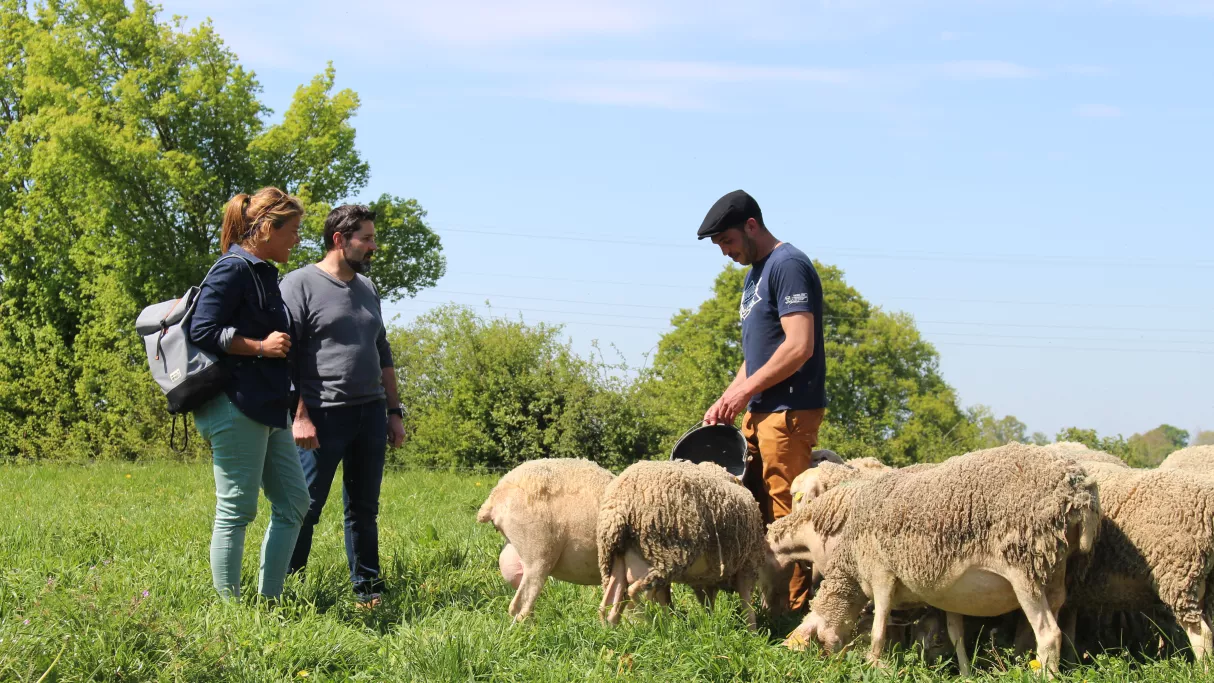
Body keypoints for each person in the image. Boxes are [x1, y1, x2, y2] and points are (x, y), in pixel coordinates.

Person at [698, 189, 827, 613]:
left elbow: (799, 346)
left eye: (728, 242)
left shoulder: (787, 266)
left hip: (788, 411)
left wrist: (745, 390)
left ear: (751, 226)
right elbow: (758, 353)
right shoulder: (756, 273)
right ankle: (765, 607)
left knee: (787, 517)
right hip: (761, 412)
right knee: (755, 513)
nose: (725, 253)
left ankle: (796, 617)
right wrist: (728, 396)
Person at [187, 187, 311, 601]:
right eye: (292, 230)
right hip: (236, 405)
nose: (296, 239)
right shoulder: (233, 268)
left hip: (268, 406)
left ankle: (270, 601)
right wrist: (259, 346)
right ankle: (231, 613)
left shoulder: (262, 273)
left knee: (295, 503)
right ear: (265, 229)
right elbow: (201, 329)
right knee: (237, 510)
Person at [282, 204, 405, 607]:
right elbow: (286, 358)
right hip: (320, 414)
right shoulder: (298, 284)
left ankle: (368, 589)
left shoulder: (368, 288)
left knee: (364, 509)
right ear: (340, 240)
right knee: (305, 507)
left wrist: (393, 411)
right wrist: (299, 416)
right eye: (366, 238)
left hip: (369, 413)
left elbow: (382, 351)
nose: (373, 245)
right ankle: (289, 588)